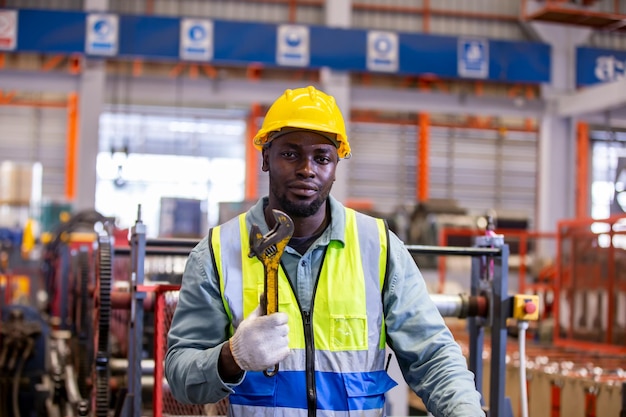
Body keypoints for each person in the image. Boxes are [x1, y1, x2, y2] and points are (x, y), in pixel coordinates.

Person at [165, 85, 485, 417]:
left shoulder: (379, 248)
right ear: (266, 158)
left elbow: (433, 356)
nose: (307, 169)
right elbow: (179, 373)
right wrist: (233, 356)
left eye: (322, 157)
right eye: (290, 153)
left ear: (335, 165)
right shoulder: (216, 254)